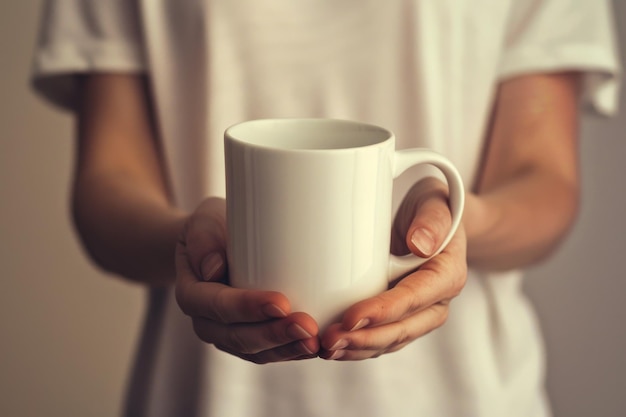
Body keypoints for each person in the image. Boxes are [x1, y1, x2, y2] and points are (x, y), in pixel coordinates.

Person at [32, 0, 620, 416]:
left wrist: (453, 224)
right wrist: (191, 239)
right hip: (202, 399)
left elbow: (542, 183)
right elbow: (108, 185)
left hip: (469, 399)